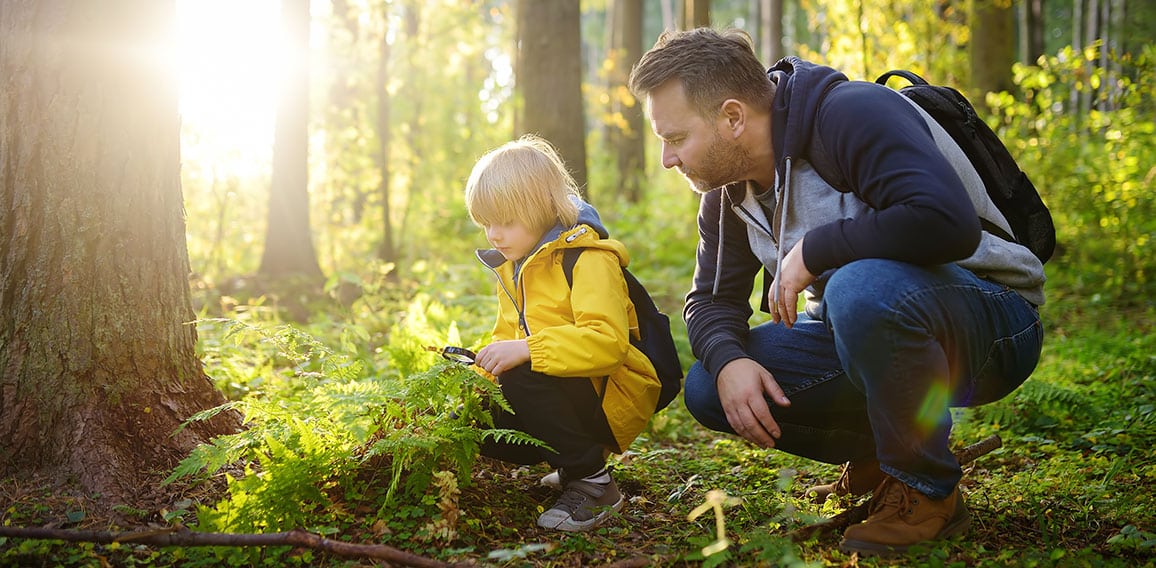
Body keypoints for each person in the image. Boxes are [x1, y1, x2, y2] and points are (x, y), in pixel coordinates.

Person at [628, 28, 1045, 555]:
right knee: (710, 385)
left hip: (993, 319)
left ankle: (925, 488)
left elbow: (947, 222)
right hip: (871, 327)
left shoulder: (850, 115)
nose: (668, 159)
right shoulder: (728, 192)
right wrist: (729, 359)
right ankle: (884, 452)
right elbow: (710, 301)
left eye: (675, 138)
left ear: (732, 117)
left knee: (857, 286)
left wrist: (817, 250)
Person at [463, 135, 663, 532]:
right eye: (487, 223)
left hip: (613, 389)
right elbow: (508, 336)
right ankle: (574, 464)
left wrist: (526, 351)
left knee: (521, 373)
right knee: (479, 418)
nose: (494, 235)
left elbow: (606, 344)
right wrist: (476, 383)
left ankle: (594, 484)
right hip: (573, 384)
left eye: (505, 222)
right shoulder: (514, 267)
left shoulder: (588, 260)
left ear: (540, 210)